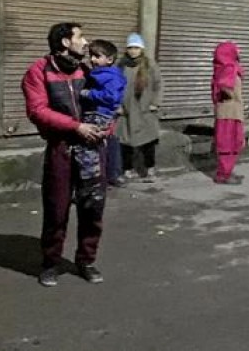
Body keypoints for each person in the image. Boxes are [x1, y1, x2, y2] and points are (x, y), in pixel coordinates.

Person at [22, 22, 108, 287]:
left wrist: (106, 127)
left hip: (93, 149)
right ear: (65, 43)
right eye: (80, 37)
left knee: (92, 209)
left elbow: (109, 101)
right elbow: (37, 110)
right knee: (56, 210)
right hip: (61, 149)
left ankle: (86, 260)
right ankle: (50, 263)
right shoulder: (39, 71)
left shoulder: (89, 69)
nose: (86, 42)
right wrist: (76, 127)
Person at [76, 39, 126, 196]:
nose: (92, 59)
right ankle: (92, 185)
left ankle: (91, 188)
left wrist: (89, 94)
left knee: (88, 149)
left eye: (97, 56)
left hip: (99, 116)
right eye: (91, 55)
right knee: (92, 150)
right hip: (97, 114)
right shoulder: (101, 73)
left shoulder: (110, 76)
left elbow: (111, 97)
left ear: (109, 60)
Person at [117, 33, 163, 184]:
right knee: (125, 143)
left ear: (141, 48)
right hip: (127, 111)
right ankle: (127, 170)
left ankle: (150, 170)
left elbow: (158, 85)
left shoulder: (150, 65)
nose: (133, 51)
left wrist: (155, 103)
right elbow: (114, 87)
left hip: (145, 110)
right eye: (130, 48)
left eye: (136, 47)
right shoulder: (121, 65)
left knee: (148, 142)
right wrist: (117, 106)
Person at [212, 41, 246, 185]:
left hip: (233, 111)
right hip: (228, 113)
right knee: (228, 143)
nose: (239, 53)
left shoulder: (229, 68)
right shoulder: (227, 68)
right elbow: (224, 86)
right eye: (236, 51)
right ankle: (223, 175)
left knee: (235, 143)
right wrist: (230, 93)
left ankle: (228, 171)